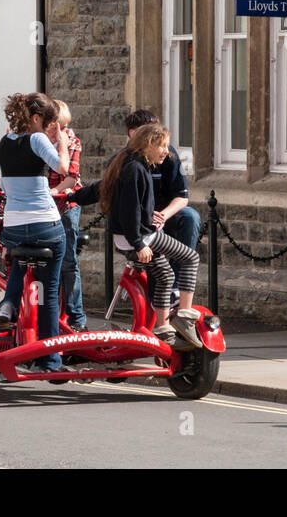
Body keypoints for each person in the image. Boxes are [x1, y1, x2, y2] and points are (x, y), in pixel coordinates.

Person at [72, 123, 202, 348]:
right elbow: (129, 210)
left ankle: (163, 330)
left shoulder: (126, 163)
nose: (166, 151)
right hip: (140, 236)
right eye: (162, 146)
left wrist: (73, 196)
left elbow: (100, 189)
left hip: (131, 236)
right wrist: (139, 244)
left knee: (165, 276)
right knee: (191, 258)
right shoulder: (136, 170)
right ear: (148, 144)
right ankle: (185, 317)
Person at [0, 92, 72, 372]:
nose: (52, 127)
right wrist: (62, 144)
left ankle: (8, 306)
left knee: (19, 262)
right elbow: (61, 168)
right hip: (44, 226)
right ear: (36, 119)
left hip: (13, 227)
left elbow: (3, 185)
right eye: (49, 122)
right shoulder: (37, 139)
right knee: (50, 292)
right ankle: (50, 360)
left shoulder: (4, 142)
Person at [122, 108, 200, 308]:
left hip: (165, 213)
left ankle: (176, 289)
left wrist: (164, 215)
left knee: (190, 217)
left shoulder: (168, 155)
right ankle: (159, 302)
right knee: (157, 248)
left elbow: (182, 197)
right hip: (142, 222)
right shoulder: (128, 163)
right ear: (134, 134)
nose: (164, 148)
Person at [46, 99, 89, 332]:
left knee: (69, 261)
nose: (60, 132)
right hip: (45, 205)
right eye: (56, 127)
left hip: (67, 203)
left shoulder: (71, 140)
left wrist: (54, 191)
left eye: (63, 127)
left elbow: (71, 177)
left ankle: (77, 318)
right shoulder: (40, 141)